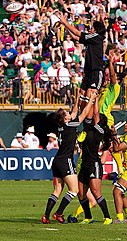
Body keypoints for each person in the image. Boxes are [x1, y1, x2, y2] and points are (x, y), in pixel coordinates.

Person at [41, 89, 98, 224]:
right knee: (74, 190)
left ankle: (46, 216)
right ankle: (58, 213)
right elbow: (83, 114)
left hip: (57, 160)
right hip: (66, 160)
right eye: (66, 113)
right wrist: (91, 100)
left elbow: (74, 112)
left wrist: (78, 98)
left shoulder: (63, 126)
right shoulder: (70, 124)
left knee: (57, 190)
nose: (69, 113)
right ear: (65, 119)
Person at [76, 98, 113, 225]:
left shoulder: (99, 131)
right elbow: (88, 113)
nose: (92, 119)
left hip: (94, 164)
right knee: (81, 193)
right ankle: (88, 216)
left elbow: (96, 113)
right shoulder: (88, 128)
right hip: (85, 164)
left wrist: (95, 99)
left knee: (96, 193)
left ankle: (107, 217)